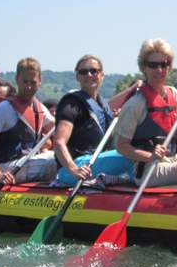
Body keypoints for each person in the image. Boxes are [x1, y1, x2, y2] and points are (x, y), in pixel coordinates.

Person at [115, 38, 177, 187]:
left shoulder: (173, 93)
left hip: (171, 160)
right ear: (144, 68)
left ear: (169, 67)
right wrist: (150, 155)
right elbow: (121, 146)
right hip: (149, 170)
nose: (159, 70)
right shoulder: (135, 105)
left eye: (164, 64)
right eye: (153, 65)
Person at [53, 55, 135, 186]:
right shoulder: (71, 105)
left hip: (96, 161)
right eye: (83, 72)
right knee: (131, 157)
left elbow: (112, 140)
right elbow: (58, 142)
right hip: (75, 167)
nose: (89, 74)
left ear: (102, 75)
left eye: (94, 71)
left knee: (138, 151)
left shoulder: (103, 105)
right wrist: (74, 169)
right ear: (77, 77)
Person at [0, 57, 57, 184]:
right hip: (8, 167)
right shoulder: (4, 108)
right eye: (25, 82)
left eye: (33, 82)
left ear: (40, 82)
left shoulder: (40, 108)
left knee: (66, 156)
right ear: (17, 80)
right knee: (55, 160)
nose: (29, 87)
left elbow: (61, 130)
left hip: (30, 163)